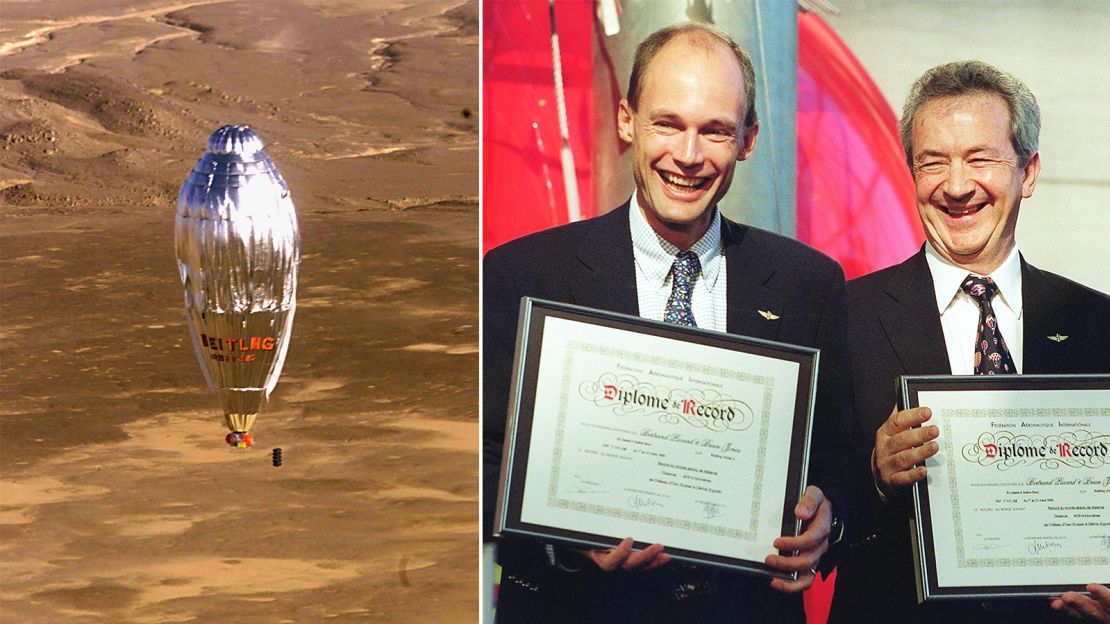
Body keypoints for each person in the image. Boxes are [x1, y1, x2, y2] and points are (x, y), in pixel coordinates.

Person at [483, 22, 854, 624]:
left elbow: (842, 453)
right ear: (627, 120)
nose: (687, 155)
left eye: (714, 131)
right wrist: (565, 534)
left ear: (749, 139)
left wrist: (830, 517)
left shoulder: (808, 284)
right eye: (668, 123)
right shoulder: (521, 275)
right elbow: (479, 464)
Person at [827, 60, 1110, 624]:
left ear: (1028, 173)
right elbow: (802, 523)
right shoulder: (842, 316)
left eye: (980, 159)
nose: (956, 187)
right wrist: (874, 478)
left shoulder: (1097, 324)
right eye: (933, 163)